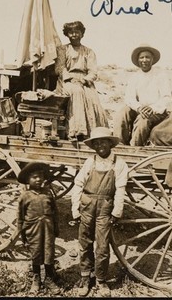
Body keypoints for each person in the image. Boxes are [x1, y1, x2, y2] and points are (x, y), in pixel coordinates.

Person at [69, 127, 129, 297]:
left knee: (102, 246)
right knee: (85, 243)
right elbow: (78, 185)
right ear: (93, 146)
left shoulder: (119, 163)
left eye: (103, 141)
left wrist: (117, 212)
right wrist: (75, 209)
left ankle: (101, 280)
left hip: (104, 209)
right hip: (87, 207)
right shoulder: (90, 162)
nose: (100, 145)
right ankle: (85, 278)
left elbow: (120, 189)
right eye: (96, 143)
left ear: (110, 143)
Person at [54, 21, 109, 140]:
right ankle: (77, 131)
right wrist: (70, 79)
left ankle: (95, 133)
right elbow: (60, 68)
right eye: (71, 32)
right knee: (77, 92)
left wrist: (84, 80)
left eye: (76, 32)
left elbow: (93, 71)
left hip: (84, 81)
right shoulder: (63, 49)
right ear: (67, 34)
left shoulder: (89, 51)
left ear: (82, 34)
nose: (74, 35)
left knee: (92, 98)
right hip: (66, 81)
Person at [113, 44, 172, 146]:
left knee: (143, 119)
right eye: (142, 57)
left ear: (152, 59)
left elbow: (167, 98)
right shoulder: (134, 77)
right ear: (138, 60)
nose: (144, 60)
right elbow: (129, 98)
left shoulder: (161, 76)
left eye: (147, 57)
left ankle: (134, 148)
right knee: (122, 113)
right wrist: (139, 107)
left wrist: (152, 108)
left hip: (157, 112)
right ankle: (119, 144)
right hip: (140, 109)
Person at [17, 162, 61, 295]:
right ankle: (36, 278)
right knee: (36, 253)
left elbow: (55, 212)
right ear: (27, 180)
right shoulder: (25, 197)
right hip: (33, 231)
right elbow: (20, 217)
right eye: (34, 177)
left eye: (41, 176)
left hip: (48, 229)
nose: (38, 179)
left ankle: (48, 278)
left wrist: (56, 228)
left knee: (49, 252)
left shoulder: (47, 193)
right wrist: (23, 235)